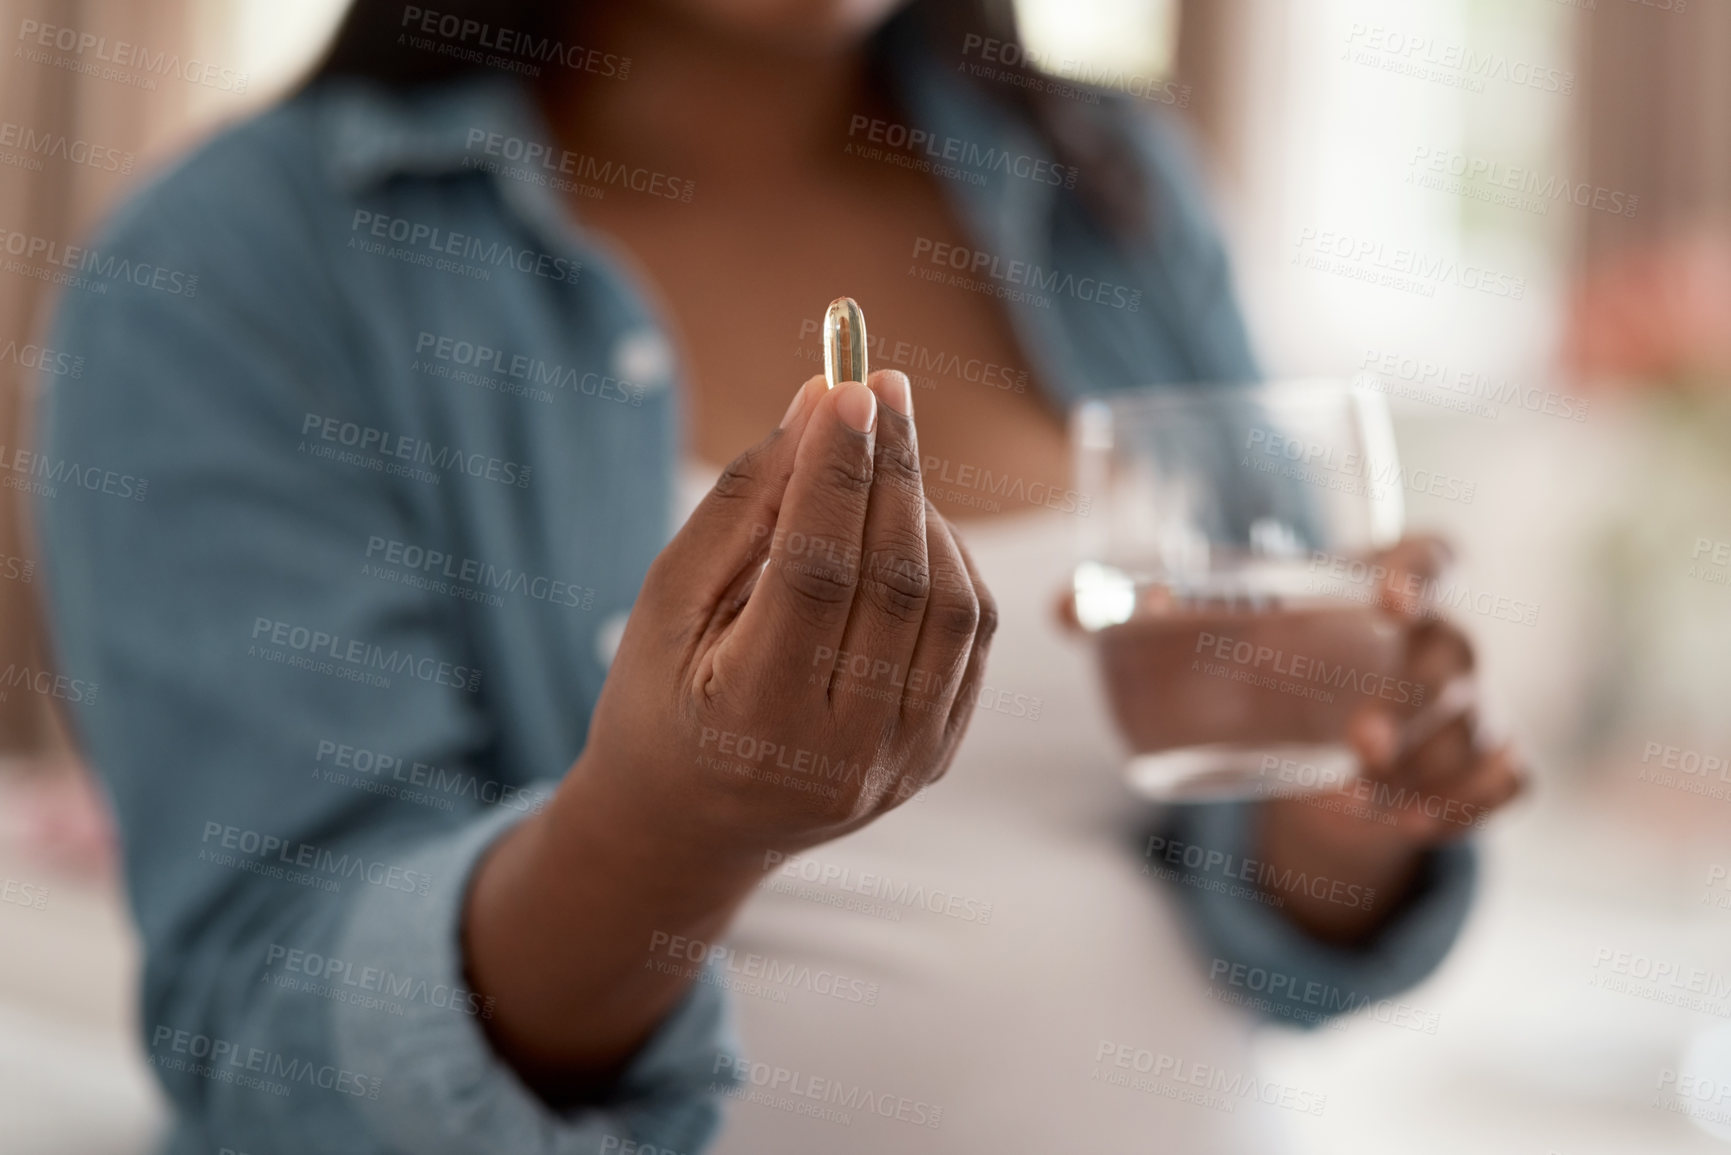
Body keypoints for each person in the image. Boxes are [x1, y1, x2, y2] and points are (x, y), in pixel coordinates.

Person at [36, 1, 1525, 1151]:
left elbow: (1254, 915)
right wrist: (662, 836)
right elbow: (262, 1048)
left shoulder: (1111, 188)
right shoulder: (236, 268)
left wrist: (1332, 829)